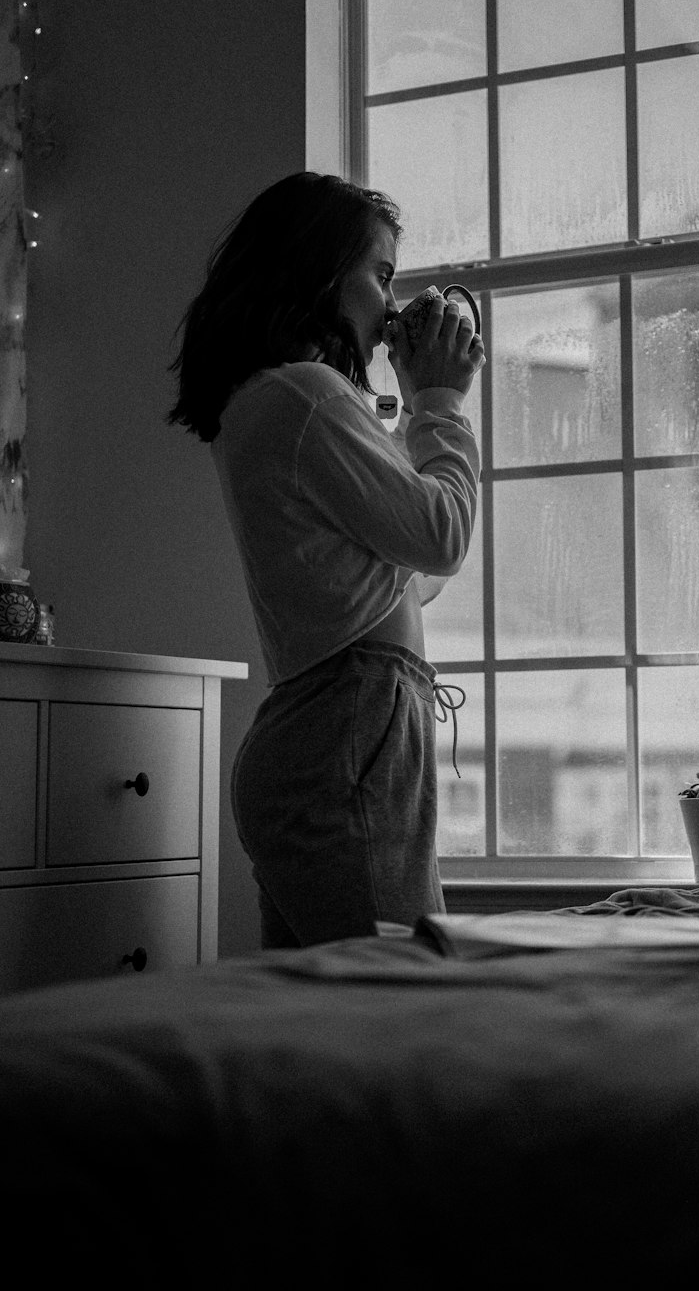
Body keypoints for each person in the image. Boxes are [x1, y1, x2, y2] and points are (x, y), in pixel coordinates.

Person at [167, 171, 483, 946]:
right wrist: (440, 405)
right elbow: (441, 532)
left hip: (332, 738)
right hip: (350, 734)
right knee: (392, 1009)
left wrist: (421, 410)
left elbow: (418, 572)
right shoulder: (306, 396)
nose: (392, 306)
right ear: (318, 270)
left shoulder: (284, 401)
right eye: (381, 275)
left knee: (325, 1028)